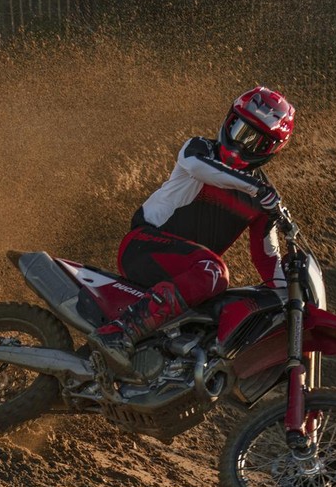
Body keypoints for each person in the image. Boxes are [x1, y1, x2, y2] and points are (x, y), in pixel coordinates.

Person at [88, 86, 296, 376]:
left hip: (185, 272)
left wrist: (294, 296)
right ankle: (120, 332)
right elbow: (201, 169)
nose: (241, 142)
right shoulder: (199, 150)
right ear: (228, 120)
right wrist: (258, 189)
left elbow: (266, 258)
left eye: (254, 140)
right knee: (214, 272)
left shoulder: (260, 197)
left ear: (269, 151)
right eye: (238, 129)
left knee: (216, 307)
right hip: (142, 246)